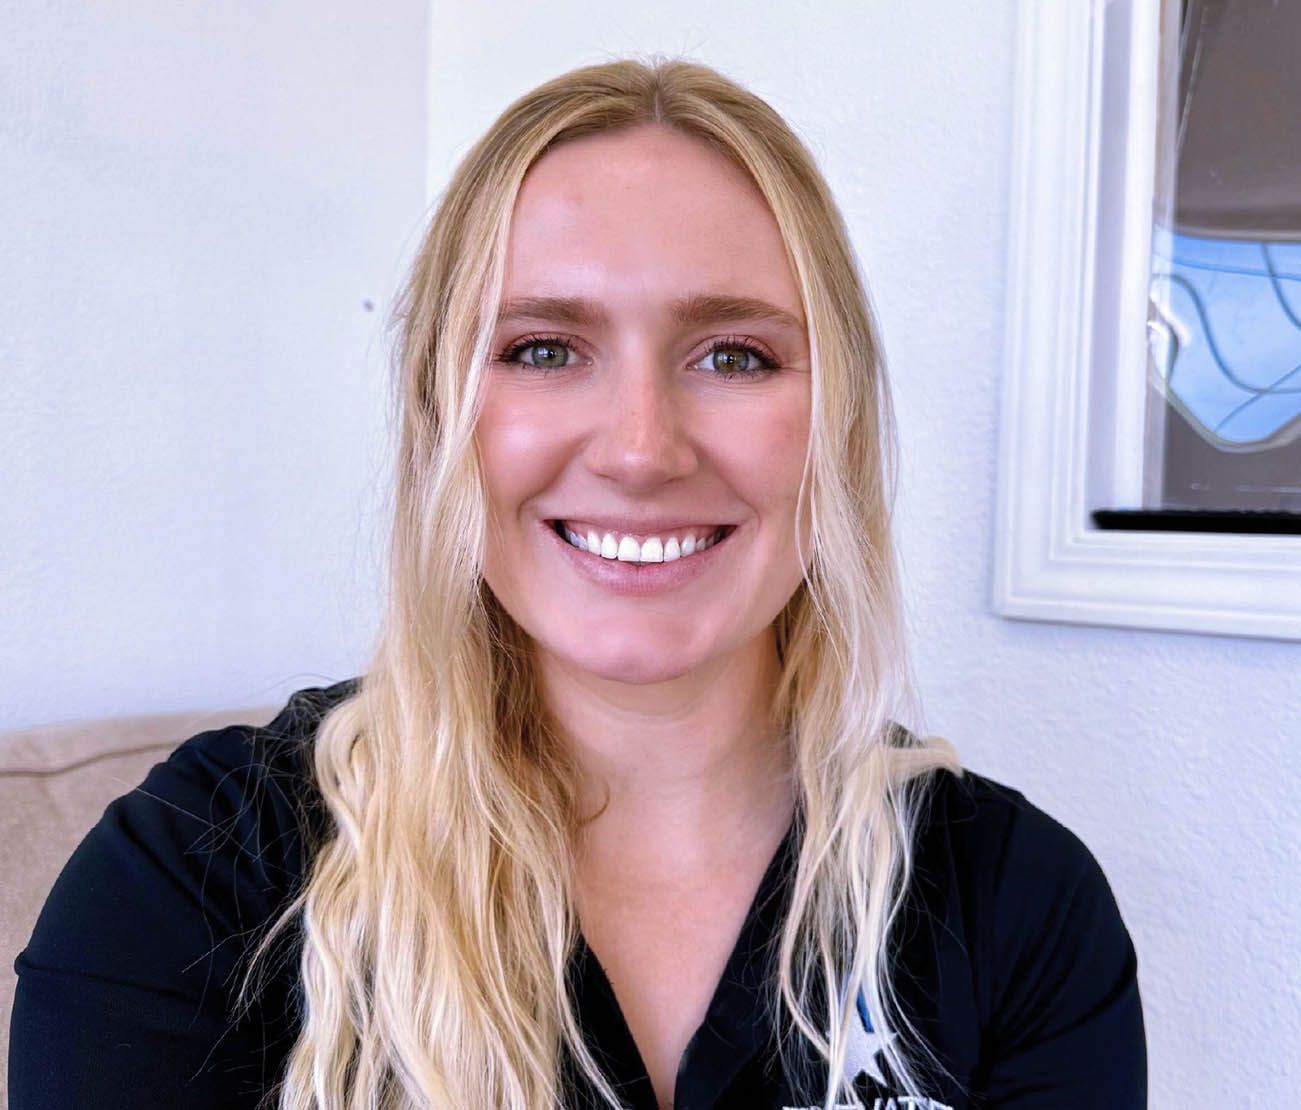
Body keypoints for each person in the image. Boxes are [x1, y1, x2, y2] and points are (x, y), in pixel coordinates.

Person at [8, 57, 1147, 1109]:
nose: (641, 450)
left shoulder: (1018, 908)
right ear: (436, 421)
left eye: (733, 355)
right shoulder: (194, 878)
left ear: (835, 428)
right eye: (542, 349)